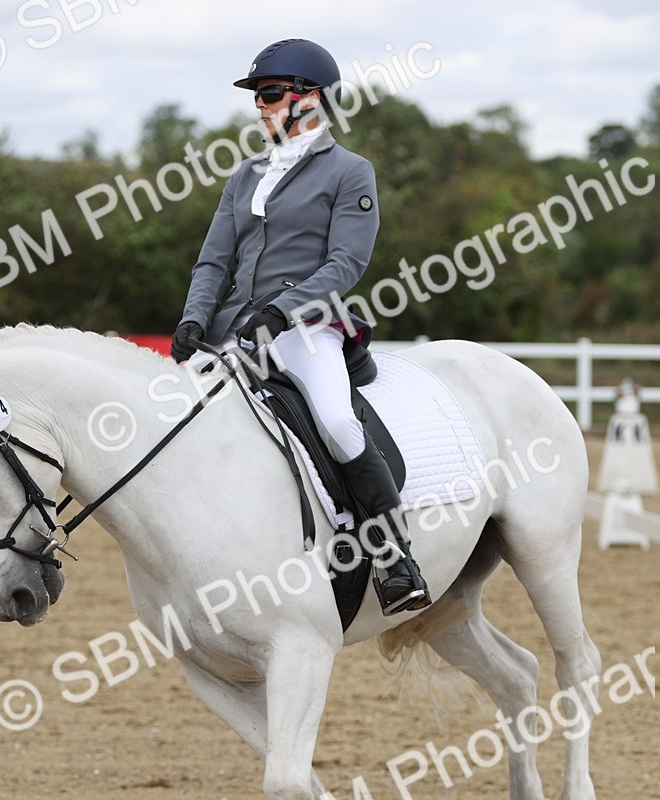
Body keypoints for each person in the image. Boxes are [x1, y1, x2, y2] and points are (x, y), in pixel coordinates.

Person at [170, 39, 430, 615]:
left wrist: (284, 310)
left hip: (307, 328)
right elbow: (213, 261)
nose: (259, 107)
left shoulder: (350, 172)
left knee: (337, 422)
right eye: (257, 98)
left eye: (269, 94)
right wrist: (193, 319)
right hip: (234, 330)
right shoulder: (245, 176)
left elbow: (346, 263)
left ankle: (394, 556)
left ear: (310, 98)